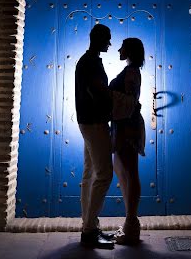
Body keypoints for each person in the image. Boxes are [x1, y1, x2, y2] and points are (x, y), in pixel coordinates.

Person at [75, 24, 116, 249]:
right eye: (107, 39)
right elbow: (98, 90)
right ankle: (89, 230)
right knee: (104, 174)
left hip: (88, 122)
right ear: (98, 39)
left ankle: (88, 227)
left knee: (89, 174)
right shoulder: (90, 61)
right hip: (95, 123)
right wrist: (119, 102)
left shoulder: (88, 60)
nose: (110, 43)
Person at [109, 37, 146, 246]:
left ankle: (132, 224)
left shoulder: (131, 71)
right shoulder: (130, 70)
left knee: (130, 171)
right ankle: (129, 222)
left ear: (129, 50)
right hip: (122, 125)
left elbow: (130, 100)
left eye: (122, 47)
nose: (118, 50)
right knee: (121, 169)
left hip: (127, 126)